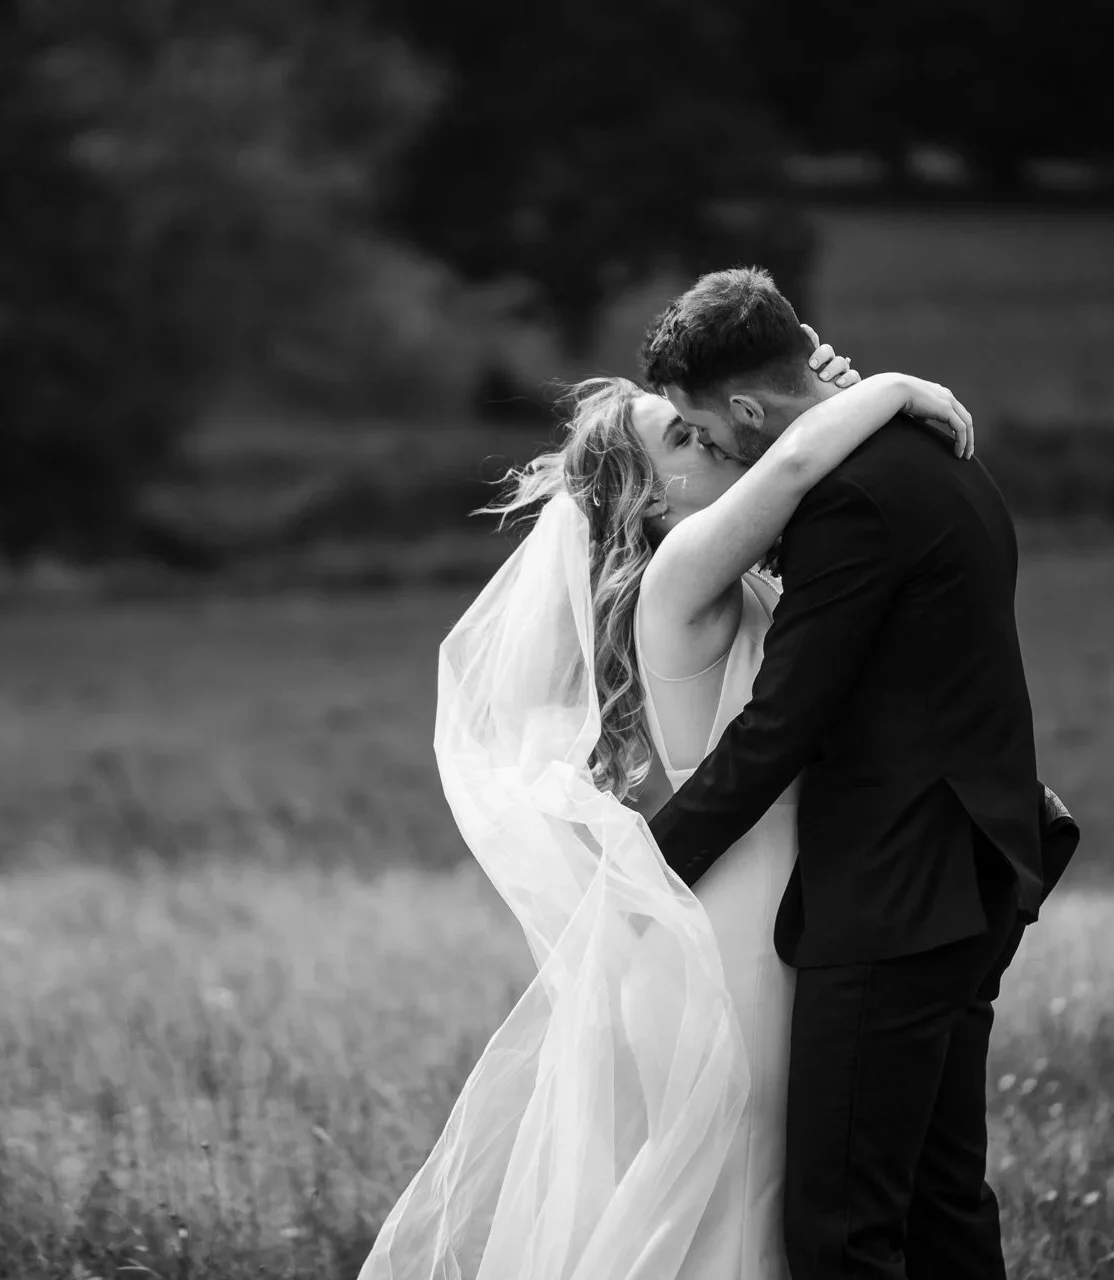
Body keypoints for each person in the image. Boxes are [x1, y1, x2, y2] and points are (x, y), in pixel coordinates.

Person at [357, 272, 1077, 1280]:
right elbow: (788, 482)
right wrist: (876, 393)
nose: (713, 448)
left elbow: (806, 524)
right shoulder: (686, 567)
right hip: (761, 908)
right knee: (794, 1199)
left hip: (820, 894)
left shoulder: (747, 559)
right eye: (682, 442)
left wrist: (825, 402)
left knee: (810, 1195)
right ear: (651, 495)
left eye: (703, 428)